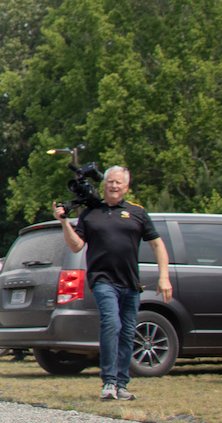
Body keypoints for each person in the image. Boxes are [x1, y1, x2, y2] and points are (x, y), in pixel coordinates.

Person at [54, 166, 172, 401]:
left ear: (126, 186)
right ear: (104, 184)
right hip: (102, 280)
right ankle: (108, 382)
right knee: (111, 324)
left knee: (128, 332)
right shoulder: (90, 213)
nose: (114, 186)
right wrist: (64, 222)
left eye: (119, 183)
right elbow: (77, 245)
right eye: (110, 182)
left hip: (130, 283)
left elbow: (157, 245)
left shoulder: (137, 213)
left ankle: (121, 383)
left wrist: (164, 277)